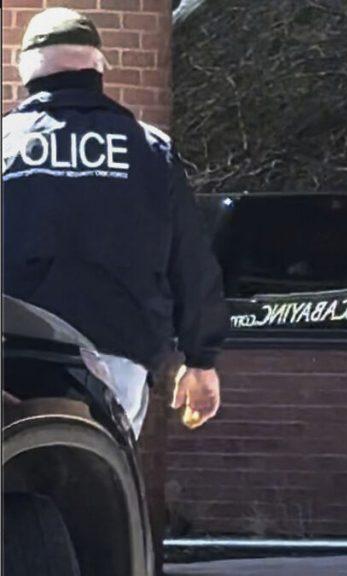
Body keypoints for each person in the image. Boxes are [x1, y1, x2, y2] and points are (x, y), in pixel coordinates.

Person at [2, 8, 229, 435]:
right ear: (98, 66)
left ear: (25, 68)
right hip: (117, 357)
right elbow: (191, 261)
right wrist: (201, 360)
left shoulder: (6, 144)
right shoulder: (151, 151)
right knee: (101, 471)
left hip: (12, 357)